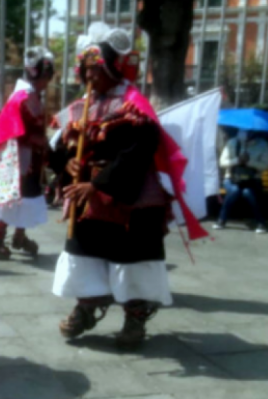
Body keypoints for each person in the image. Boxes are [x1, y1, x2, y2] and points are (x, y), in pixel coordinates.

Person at [50, 22, 208, 348]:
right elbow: (59, 145)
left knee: (132, 259)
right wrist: (66, 162)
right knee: (84, 251)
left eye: (97, 69)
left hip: (130, 195)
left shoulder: (134, 106)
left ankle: (135, 317)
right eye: (87, 69)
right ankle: (88, 304)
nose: (90, 76)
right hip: (88, 197)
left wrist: (98, 185)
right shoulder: (80, 106)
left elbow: (138, 151)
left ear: (113, 67)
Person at [0, 48, 54, 260]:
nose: (47, 82)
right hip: (19, 159)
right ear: (36, 75)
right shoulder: (21, 98)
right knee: (13, 197)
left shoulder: (32, 96)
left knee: (28, 196)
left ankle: (20, 235)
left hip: (32, 158)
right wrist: (36, 140)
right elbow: (13, 131)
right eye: (46, 77)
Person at [214, 130, 268, 233]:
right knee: (234, 190)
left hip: (253, 179)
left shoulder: (263, 144)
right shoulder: (232, 142)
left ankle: (261, 223)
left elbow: (265, 165)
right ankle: (221, 220)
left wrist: (249, 162)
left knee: (248, 193)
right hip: (231, 178)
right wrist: (237, 160)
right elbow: (222, 162)